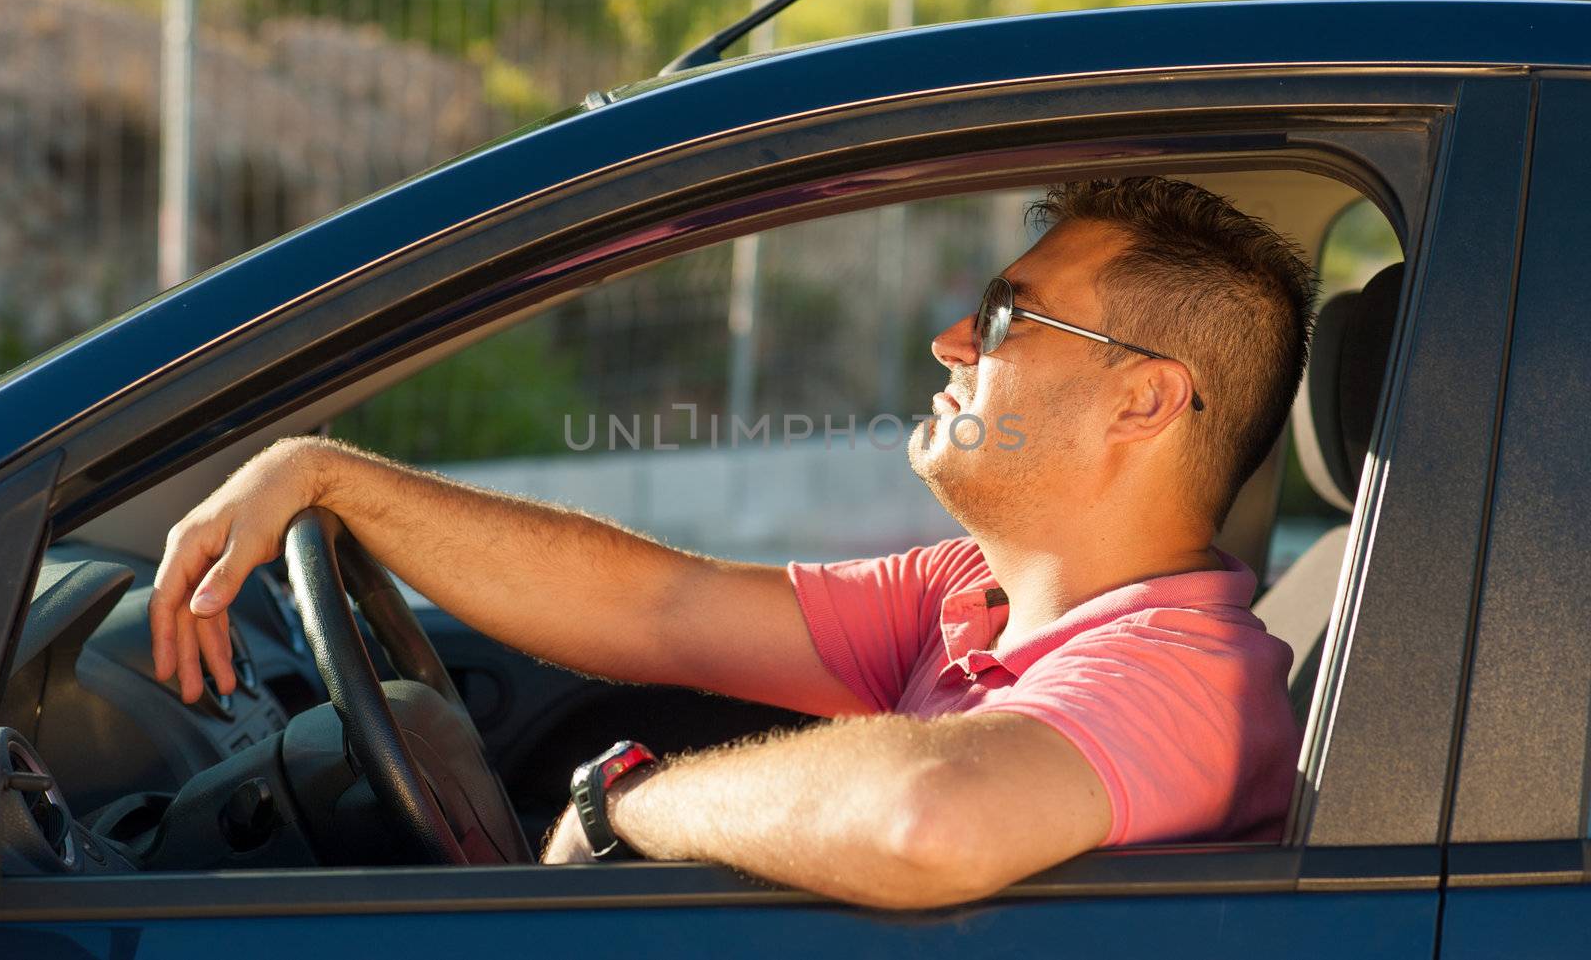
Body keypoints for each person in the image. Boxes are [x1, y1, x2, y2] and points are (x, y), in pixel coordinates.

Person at [147, 176, 1316, 909]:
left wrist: (625, 810)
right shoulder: (974, 595)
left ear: (1146, 402)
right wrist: (328, 475)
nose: (952, 338)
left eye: (1008, 313)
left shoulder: (1182, 678)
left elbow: (929, 818)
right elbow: (660, 607)